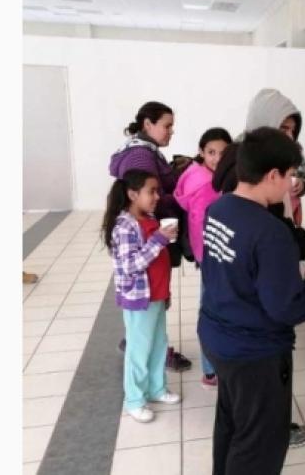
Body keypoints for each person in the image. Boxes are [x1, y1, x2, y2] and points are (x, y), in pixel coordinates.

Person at [198, 127, 305, 475]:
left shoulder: (219, 208)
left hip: (217, 336)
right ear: (272, 174)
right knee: (260, 444)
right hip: (254, 354)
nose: (290, 184)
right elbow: (287, 307)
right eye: (289, 176)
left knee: (232, 424)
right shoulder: (271, 233)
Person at [109, 101, 192, 372]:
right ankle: (144, 355)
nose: (170, 132)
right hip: (149, 237)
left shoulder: (144, 150)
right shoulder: (141, 157)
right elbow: (151, 197)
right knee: (149, 302)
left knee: (151, 304)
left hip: (151, 236)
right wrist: (182, 196)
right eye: (166, 126)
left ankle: (141, 342)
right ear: (148, 124)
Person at [101, 169, 182, 423]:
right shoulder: (125, 226)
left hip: (156, 295)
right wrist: (158, 239)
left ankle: (156, 389)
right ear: (133, 194)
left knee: (159, 344)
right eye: (151, 191)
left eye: (157, 191)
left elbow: (159, 262)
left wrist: (166, 292)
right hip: (139, 299)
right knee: (139, 349)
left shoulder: (149, 217)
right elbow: (129, 265)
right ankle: (134, 400)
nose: (157, 196)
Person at [174, 127, 232, 390]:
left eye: (222, 152)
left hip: (208, 254)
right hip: (213, 255)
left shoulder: (194, 174)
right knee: (211, 309)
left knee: (211, 306)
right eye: (211, 152)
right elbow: (200, 226)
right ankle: (211, 370)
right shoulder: (206, 182)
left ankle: (213, 367)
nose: (217, 158)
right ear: (201, 152)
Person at [238, 89, 305, 225]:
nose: (290, 136)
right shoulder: (239, 150)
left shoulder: (294, 148)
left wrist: (302, 185)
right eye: (284, 129)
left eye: (293, 130)